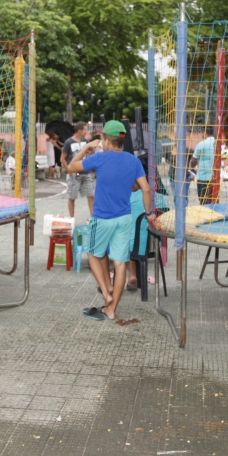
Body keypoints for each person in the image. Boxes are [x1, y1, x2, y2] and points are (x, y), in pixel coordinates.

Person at [67, 121, 154, 322]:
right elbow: (146, 189)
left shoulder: (100, 158)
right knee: (120, 263)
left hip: (103, 218)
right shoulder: (133, 161)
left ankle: (107, 296)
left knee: (92, 255)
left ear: (105, 140)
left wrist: (86, 147)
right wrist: (149, 213)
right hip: (125, 218)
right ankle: (112, 308)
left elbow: (71, 167)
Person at [62, 122, 95, 217]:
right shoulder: (69, 142)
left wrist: (91, 152)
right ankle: (72, 218)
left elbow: (91, 150)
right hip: (74, 174)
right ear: (79, 130)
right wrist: (69, 170)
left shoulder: (85, 141)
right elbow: (62, 158)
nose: (86, 132)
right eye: (85, 130)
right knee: (72, 198)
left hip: (85, 172)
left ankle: (92, 217)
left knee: (90, 196)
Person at [189, 126, 216, 204]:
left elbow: (193, 160)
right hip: (215, 177)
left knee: (203, 201)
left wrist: (192, 166)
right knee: (212, 200)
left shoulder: (202, 144)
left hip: (203, 177)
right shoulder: (217, 143)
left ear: (205, 132)